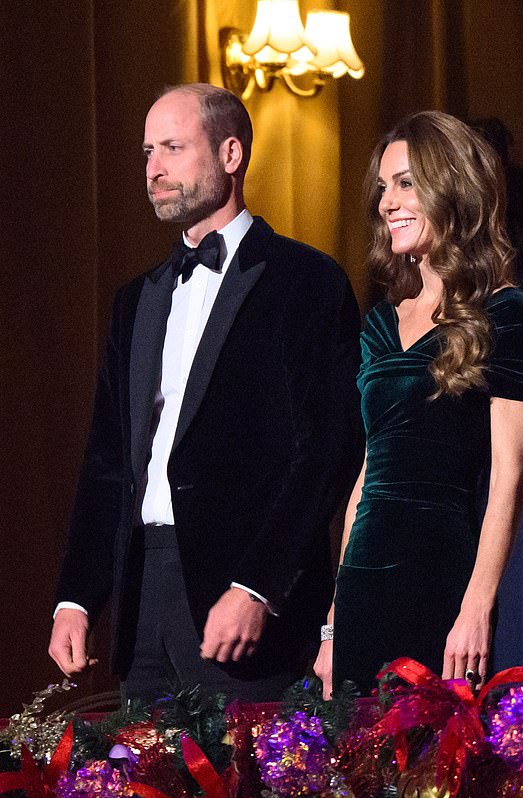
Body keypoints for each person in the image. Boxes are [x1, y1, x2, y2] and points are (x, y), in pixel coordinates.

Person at [49, 83, 362, 704]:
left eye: (171, 147)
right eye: (146, 152)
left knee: (255, 794)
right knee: (142, 793)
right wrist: (77, 596)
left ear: (230, 154)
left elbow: (325, 451)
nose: (153, 169)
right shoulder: (135, 299)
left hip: (244, 600)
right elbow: (108, 463)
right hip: (143, 595)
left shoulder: (306, 280)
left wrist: (258, 586)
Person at [314, 111, 523, 698]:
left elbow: (510, 473)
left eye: (407, 182)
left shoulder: (506, 312)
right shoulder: (378, 325)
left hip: (442, 580)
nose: (387, 201)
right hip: (363, 583)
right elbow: (368, 476)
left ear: (452, 188)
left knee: (434, 780)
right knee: (357, 781)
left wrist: (478, 606)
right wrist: (332, 626)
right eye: (384, 186)